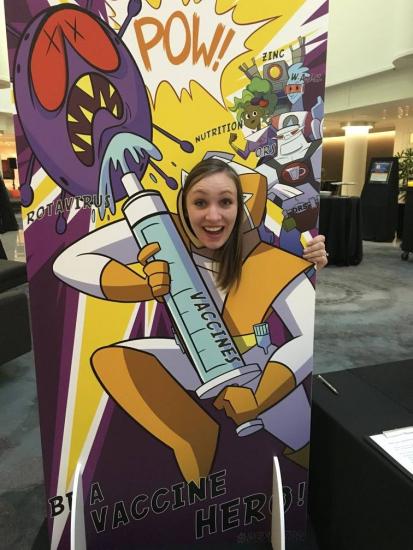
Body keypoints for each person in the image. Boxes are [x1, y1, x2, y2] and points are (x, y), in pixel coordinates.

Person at [53, 157, 327, 484]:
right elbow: (69, 262)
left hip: (261, 369)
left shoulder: (271, 262)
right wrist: (139, 284)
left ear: (243, 207)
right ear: (185, 203)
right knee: (119, 360)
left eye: (226, 201)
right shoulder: (162, 231)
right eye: (200, 202)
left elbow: (304, 338)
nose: (213, 216)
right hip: (197, 356)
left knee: (299, 445)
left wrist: (261, 396)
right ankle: (194, 440)